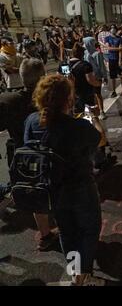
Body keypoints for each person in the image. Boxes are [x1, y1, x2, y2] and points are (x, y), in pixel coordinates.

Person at [25, 74, 105, 286]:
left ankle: (74, 274)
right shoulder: (77, 126)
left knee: (67, 233)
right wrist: (95, 118)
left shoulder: (32, 122)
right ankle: (84, 276)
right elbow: (101, 139)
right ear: (67, 100)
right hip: (81, 187)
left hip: (53, 189)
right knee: (89, 229)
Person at [0, 58, 59, 251]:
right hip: (52, 156)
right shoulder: (50, 97)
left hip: (23, 159)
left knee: (35, 197)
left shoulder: (9, 101)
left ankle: (45, 235)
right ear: (42, 76)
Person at [83, 36, 108, 119]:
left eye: (85, 43)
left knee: (98, 94)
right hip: (88, 76)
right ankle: (95, 110)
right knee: (92, 95)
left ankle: (102, 111)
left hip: (97, 76)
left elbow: (101, 66)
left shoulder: (97, 54)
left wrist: (104, 76)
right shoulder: (85, 52)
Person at [103, 27, 122, 97]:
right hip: (111, 58)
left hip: (118, 58)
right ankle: (114, 90)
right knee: (112, 76)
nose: (113, 29)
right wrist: (118, 48)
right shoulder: (107, 38)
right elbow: (108, 48)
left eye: (114, 28)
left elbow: (120, 50)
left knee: (121, 75)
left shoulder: (119, 38)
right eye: (111, 28)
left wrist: (120, 59)